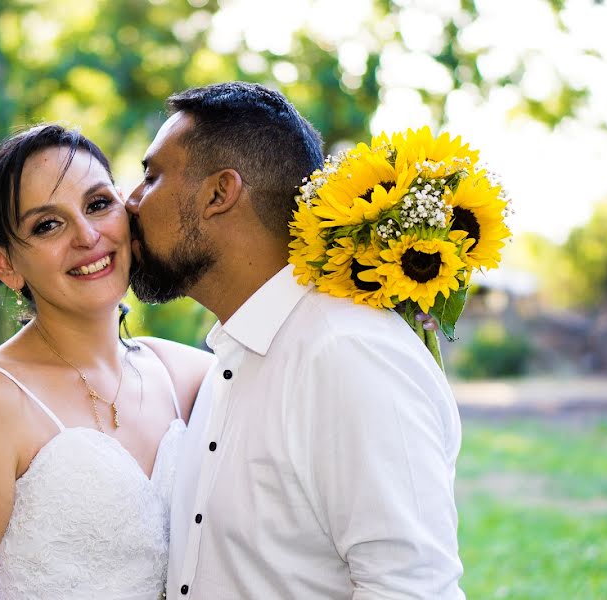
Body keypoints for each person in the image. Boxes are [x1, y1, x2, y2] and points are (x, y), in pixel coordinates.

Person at [126, 82, 465, 599]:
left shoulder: (348, 353)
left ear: (220, 193)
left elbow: (411, 588)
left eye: (151, 176)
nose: (130, 201)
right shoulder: (231, 357)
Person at [0, 124, 212, 599]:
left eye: (97, 204)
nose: (88, 236)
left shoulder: (187, 377)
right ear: (4, 263)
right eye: (48, 225)